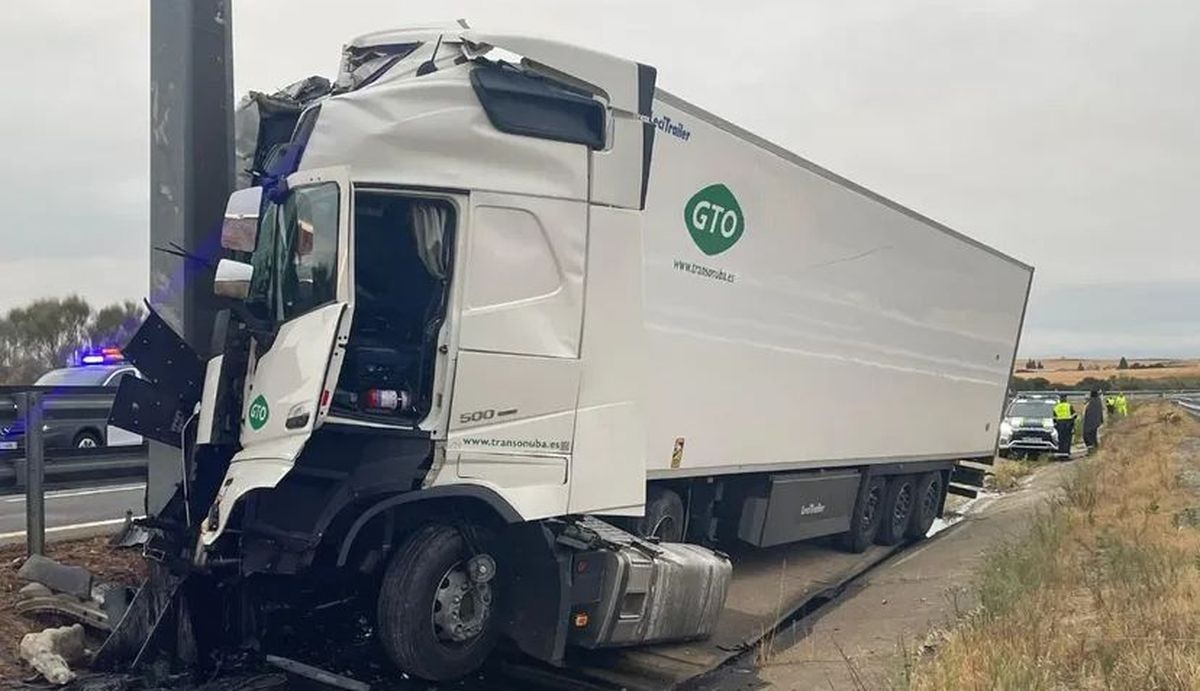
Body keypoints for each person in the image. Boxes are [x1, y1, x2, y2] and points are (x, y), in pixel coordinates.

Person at [1083, 389, 1105, 453]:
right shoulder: (1098, 401)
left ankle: (1091, 449)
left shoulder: (1091, 402)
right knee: (1093, 436)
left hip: (1089, 422)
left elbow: (1086, 412)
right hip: (1096, 422)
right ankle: (1094, 449)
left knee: (1087, 435)